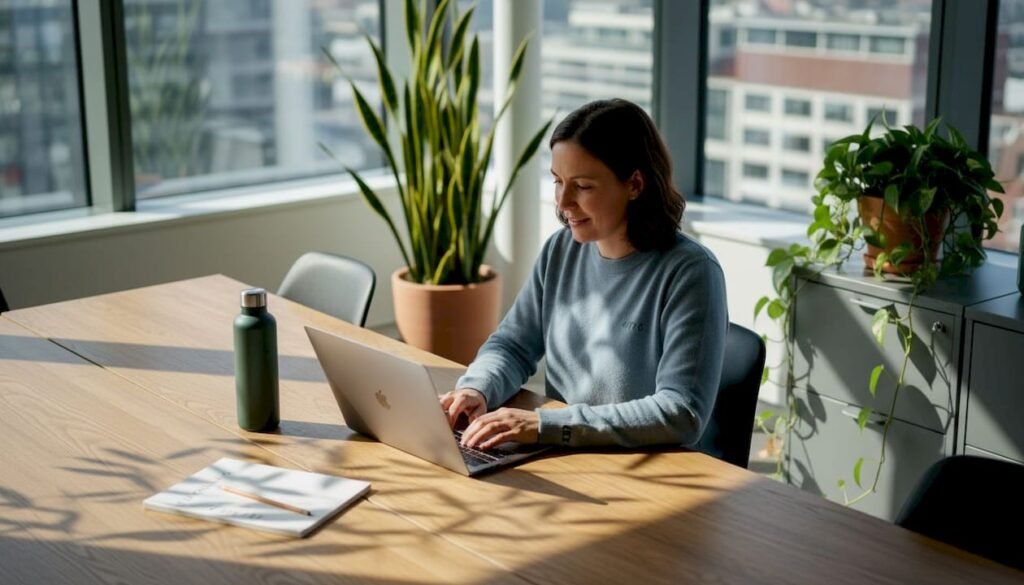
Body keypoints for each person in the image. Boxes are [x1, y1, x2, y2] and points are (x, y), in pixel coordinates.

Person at [440, 98, 728, 451]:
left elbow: (680, 412)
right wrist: (476, 388)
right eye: (558, 181)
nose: (563, 202)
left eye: (583, 186)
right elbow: (513, 345)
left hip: (647, 475)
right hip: (565, 458)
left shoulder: (692, 272)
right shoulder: (560, 250)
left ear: (635, 184)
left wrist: (547, 425)